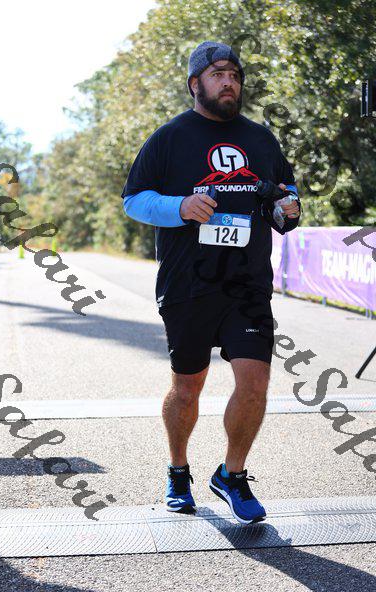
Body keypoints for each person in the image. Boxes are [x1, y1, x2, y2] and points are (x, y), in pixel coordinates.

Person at [121, 41, 301, 525]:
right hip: (189, 283)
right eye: (218, 73)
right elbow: (133, 200)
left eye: (235, 75)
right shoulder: (169, 138)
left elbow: (284, 197)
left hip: (247, 285)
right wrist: (179, 207)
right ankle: (178, 471)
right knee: (187, 388)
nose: (229, 82)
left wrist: (288, 208)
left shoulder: (261, 139)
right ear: (195, 83)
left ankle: (232, 474)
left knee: (255, 383)